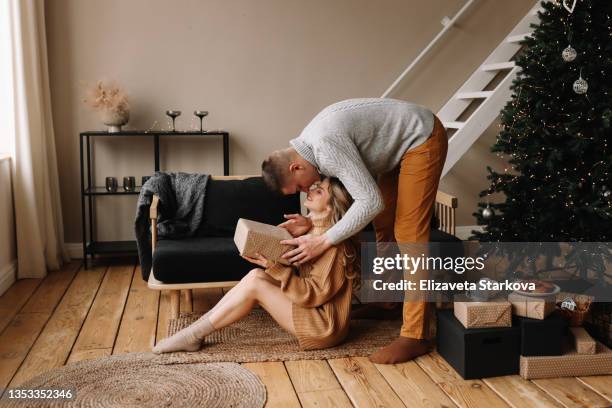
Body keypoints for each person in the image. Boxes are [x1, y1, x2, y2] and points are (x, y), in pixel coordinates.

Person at [262, 98, 448, 364]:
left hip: (421, 136)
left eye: (299, 188)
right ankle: (389, 301)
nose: (305, 192)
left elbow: (369, 201)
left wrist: (323, 240)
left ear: (295, 167)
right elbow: (351, 200)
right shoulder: (309, 150)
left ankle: (416, 335)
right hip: (399, 148)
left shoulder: (325, 148)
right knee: (383, 224)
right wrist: (310, 222)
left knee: (409, 234)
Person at [152, 177, 359, 354]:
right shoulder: (313, 231)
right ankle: (194, 332)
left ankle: (194, 334)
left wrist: (276, 268)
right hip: (312, 310)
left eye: (319, 191)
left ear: (331, 206)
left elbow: (313, 294)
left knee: (257, 285)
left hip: (323, 326)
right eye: (315, 186)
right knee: (255, 276)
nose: (310, 191)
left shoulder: (333, 246)